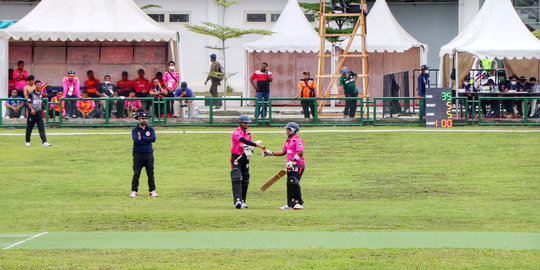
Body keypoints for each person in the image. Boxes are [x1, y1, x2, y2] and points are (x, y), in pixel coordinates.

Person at [262, 122, 305, 210]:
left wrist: (293, 161)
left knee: (294, 182)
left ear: (293, 130)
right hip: (290, 165)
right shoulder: (288, 140)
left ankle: (299, 202)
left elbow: (300, 152)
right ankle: (290, 204)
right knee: (289, 184)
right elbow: (283, 152)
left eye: (288, 129)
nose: (287, 131)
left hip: (298, 165)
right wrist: (271, 153)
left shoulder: (297, 140)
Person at [230, 115, 265, 209]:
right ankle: (237, 200)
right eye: (245, 123)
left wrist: (251, 148)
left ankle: (243, 201)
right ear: (240, 123)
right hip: (237, 157)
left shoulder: (248, 133)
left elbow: (247, 145)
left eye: (247, 123)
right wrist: (255, 144)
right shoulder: (236, 132)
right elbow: (243, 141)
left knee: (245, 179)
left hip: (245, 157)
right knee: (237, 177)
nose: (246, 124)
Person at [129, 112, 159, 198]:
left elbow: (153, 139)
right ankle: (134, 191)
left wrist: (142, 137)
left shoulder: (150, 129)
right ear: (139, 119)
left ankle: (152, 191)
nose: (144, 120)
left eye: (145, 118)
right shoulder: (135, 130)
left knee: (150, 173)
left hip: (149, 153)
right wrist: (146, 140)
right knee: (136, 173)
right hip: (138, 154)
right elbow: (136, 140)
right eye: (142, 118)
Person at [25, 81, 51, 147]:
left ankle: (44, 142)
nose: (39, 86)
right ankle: (27, 141)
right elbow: (28, 102)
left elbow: (41, 103)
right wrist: (32, 109)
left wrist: (43, 112)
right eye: (37, 85)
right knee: (29, 127)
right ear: (35, 85)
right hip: (32, 113)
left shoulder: (41, 93)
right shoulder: (31, 93)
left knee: (41, 127)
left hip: (39, 113)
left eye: (40, 85)